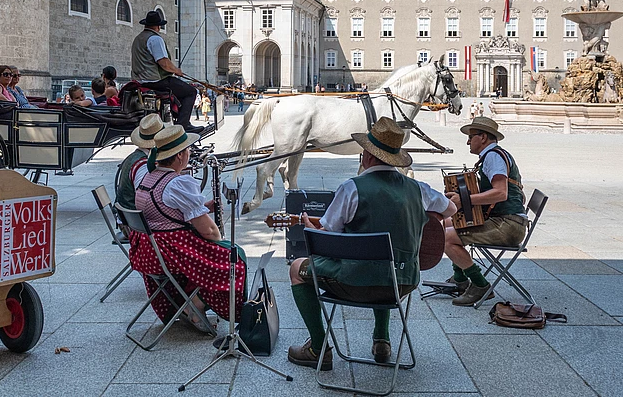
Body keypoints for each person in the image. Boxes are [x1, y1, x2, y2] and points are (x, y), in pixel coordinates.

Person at [287, 117, 456, 370]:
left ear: (367, 156)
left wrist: (311, 230)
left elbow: (327, 235)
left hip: (354, 282)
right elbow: (450, 208)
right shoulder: (419, 189)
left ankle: (318, 349)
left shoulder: (351, 188)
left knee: (296, 268)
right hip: (403, 283)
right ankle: (381, 340)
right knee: (385, 260)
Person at [129, 125, 247, 332]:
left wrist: (201, 209)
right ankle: (195, 305)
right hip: (169, 252)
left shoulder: (147, 177)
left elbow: (165, 212)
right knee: (234, 257)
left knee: (224, 252)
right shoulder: (177, 183)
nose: (190, 152)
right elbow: (209, 232)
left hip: (147, 251)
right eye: (188, 149)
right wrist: (219, 240)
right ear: (180, 156)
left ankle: (189, 305)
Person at [443, 117, 526, 305]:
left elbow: (500, 193)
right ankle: (460, 278)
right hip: (507, 221)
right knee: (445, 224)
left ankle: (480, 286)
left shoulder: (494, 157)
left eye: (471, 137)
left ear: (483, 137)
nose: (467, 141)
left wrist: (464, 200)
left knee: (446, 237)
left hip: (508, 225)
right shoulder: (493, 156)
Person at [131, 10, 201, 133]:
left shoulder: (138, 38)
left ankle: (176, 119)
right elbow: (163, 62)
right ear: (158, 26)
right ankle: (183, 125)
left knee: (180, 90)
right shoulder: (155, 39)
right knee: (191, 92)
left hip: (140, 80)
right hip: (155, 80)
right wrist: (176, 71)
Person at [115, 114, 165, 212]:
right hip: (135, 220)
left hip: (131, 216)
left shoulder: (137, 157)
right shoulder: (142, 165)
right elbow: (145, 199)